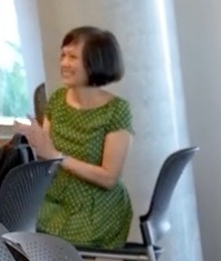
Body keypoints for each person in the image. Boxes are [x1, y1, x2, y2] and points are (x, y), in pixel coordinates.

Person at [16, 26, 134, 249]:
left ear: (95, 61)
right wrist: (32, 142)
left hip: (96, 209)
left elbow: (109, 178)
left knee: (28, 234)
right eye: (63, 55)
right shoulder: (57, 100)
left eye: (72, 57)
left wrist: (57, 156)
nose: (64, 63)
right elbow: (45, 155)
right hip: (54, 199)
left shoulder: (117, 110)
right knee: (9, 217)